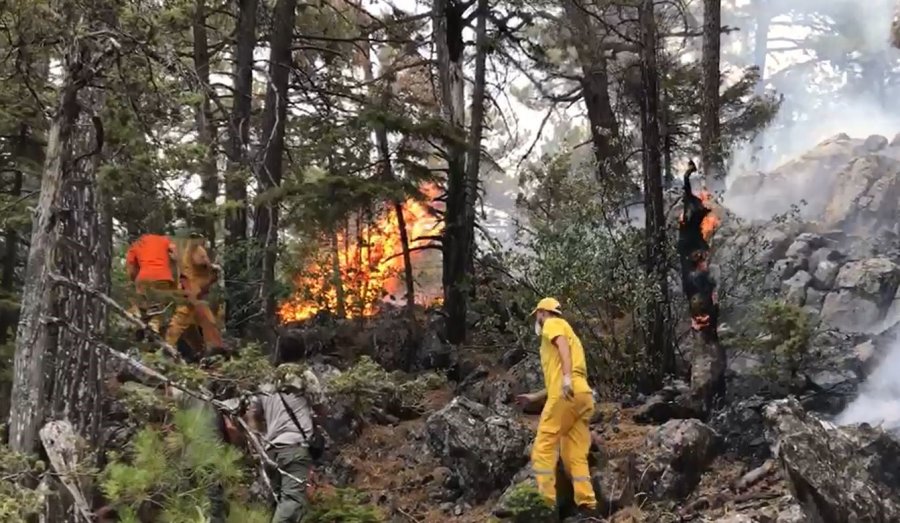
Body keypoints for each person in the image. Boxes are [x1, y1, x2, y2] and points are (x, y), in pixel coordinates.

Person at [517, 297, 598, 519]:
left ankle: (545, 506)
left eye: (537, 315)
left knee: (543, 447)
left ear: (543, 312)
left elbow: (560, 345)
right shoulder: (571, 332)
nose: (537, 319)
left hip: (566, 395)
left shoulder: (553, 324)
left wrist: (566, 379)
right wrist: (535, 397)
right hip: (582, 396)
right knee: (574, 455)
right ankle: (588, 507)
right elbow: (565, 369)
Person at [246, 364, 325, 523]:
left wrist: (258, 444)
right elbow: (321, 408)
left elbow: (252, 414)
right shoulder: (304, 376)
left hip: (270, 451)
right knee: (292, 504)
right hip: (295, 450)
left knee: (279, 503)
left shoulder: (265, 380)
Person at [165, 236, 225, 359]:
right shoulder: (193, 250)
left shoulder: (183, 251)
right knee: (184, 320)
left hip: (193, 293)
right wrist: (212, 267)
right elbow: (201, 262)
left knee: (197, 325)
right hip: (190, 294)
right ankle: (166, 349)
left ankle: (206, 353)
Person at [125, 233, 177, 335]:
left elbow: (131, 271)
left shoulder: (136, 245)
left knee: (144, 303)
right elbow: (175, 255)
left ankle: (137, 318)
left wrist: (134, 281)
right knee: (158, 306)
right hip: (163, 278)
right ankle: (154, 324)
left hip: (144, 278)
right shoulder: (165, 240)